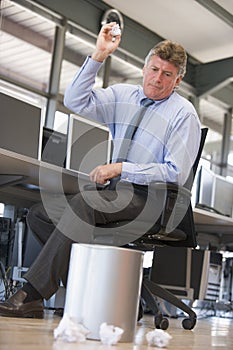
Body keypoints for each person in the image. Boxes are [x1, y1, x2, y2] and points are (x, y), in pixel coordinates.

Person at [0, 22, 201, 318]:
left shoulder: (184, 114)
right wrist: (98, 55)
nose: (157, 79)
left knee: (84, 204)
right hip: (116, 194)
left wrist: (122, 168)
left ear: (178, 80)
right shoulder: (125, 96)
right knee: (41, 215)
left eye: (167, 74)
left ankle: (31, 294)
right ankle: (89, 295)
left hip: (155, 201)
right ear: (144, 68)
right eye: (154, 69)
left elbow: (175, 173)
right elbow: (75, 101)